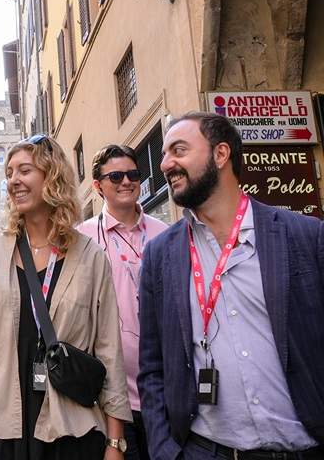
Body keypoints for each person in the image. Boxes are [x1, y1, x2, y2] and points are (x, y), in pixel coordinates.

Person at [138, 112, 324, 460]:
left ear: (220, 155)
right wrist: (166, 450)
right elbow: (152, 366)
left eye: (178, 150)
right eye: (164, 154)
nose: (165, 164)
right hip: (205, 451)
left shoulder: (305, 236)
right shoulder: (161, 255)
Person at [0, 133, 131, 460]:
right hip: (4, 424)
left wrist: (114, 442)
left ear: (51, 175)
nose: (14, 181)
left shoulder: (91, 257)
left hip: (71, 425)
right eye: (9, 173)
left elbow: (109, 349)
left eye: (24, 171)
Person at [77, 144, 168, 460]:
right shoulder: (82, 239)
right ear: (97, 186)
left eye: (133, 174)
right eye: (115, 176)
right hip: (110, 397)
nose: (126, 181)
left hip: (165, 391)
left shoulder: (166, 234)